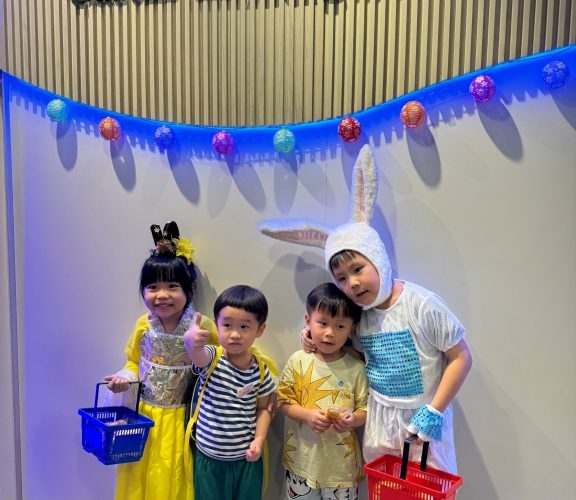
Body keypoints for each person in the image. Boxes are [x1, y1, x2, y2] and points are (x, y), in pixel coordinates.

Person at [259, 144, 473, 473]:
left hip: (423, 419)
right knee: (384, 488)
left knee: (426, 489)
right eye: (341, 278)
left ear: (378, 259)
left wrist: (435, 410)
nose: (353, 283)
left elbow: (460, 357)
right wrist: (313, 338)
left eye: (358, 269)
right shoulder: (361, 315)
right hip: (378, 419)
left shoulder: (421, 304)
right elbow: (359, 354)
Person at [104, 221, 219, 500]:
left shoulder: (201, 325)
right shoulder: (143, 326)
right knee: (140, 476)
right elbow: (133, 362)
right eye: (153, 286)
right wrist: (124, 378)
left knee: (174, 478)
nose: (162, 295)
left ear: (189, 289)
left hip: (182, 420)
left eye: (172, 286)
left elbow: (221, 359)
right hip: (143, 417)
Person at [183, 285, 276, 500]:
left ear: (260, 329)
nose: (235, 334)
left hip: (246, 460)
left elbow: (264, 409)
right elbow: (196, 355)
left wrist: (259, 440)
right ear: (216, 324)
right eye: (227, 325)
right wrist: (190, 341)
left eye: (244, 326)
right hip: (209, 459)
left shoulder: (261, 370)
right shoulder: (212, 358)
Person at [278, 282, 369, 500]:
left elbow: (365, 409)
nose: (329, 333)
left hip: (342, 471)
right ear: (308, 321)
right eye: (323, 323)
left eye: (340, 326)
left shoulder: (356, 368)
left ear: (352, 329)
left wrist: (353, 419)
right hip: (302, 464)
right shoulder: (298, 360)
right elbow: (283, 401)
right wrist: (307, 415)